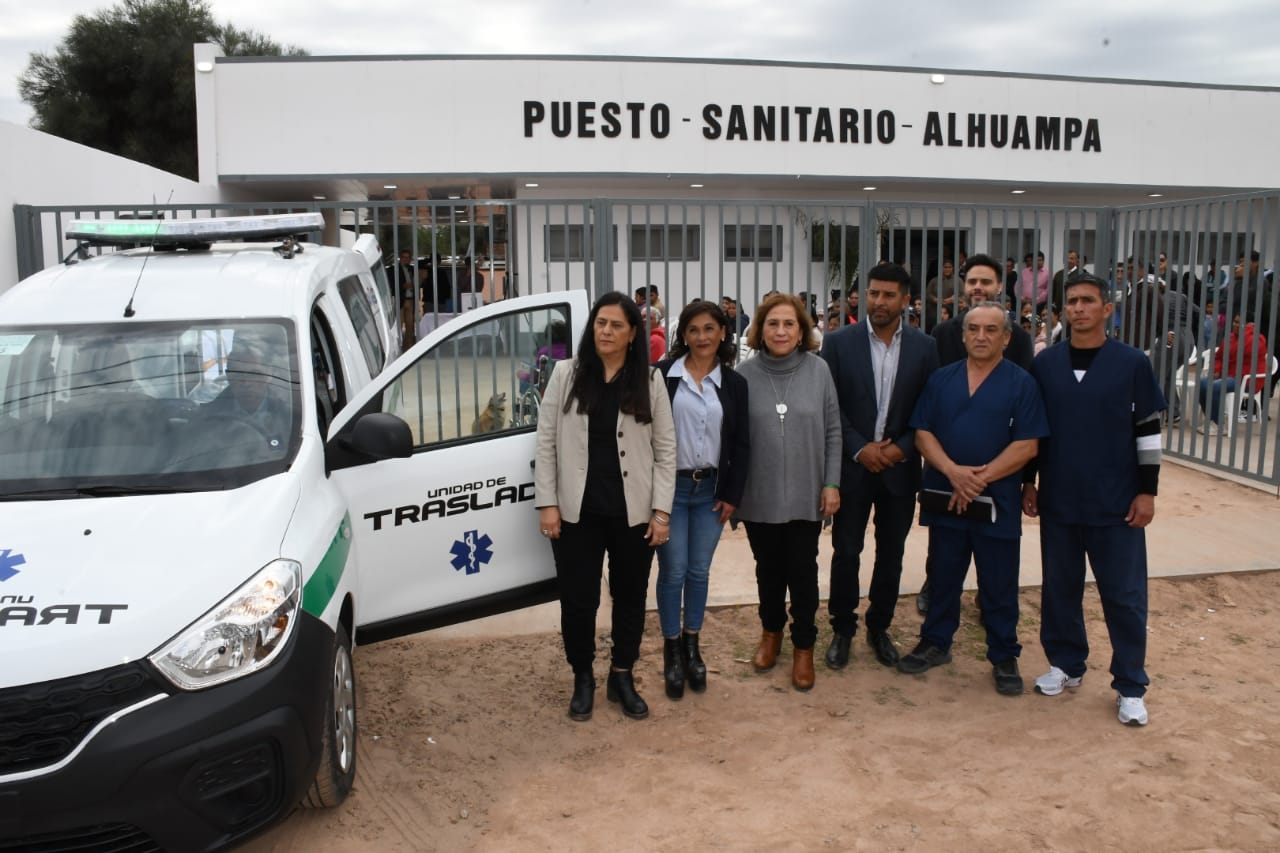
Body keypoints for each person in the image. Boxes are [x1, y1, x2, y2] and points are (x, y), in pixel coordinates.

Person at [1023, 272, 1166, 726]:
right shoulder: (1046, 364)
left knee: (1124, 596)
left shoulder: (1132, 363)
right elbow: (1033, 432)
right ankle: (1066, 663)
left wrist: (1147, 491)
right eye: (1072, 302)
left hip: (1116, 503)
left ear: (1107, 309)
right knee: (1060, 588)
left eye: (1088, 301)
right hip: (1061, 500)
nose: (1079, 308)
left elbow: (1148, 432)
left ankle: (1130, 685)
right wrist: (1029, 481)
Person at [534, 292, 676, 722]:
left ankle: (622, 674)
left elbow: (666, 450)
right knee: (578, 600)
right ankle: (583, 677)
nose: (606, 331)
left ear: (633, 333)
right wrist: (547, 503)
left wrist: (661, 512)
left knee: (630, 597)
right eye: (600, 323)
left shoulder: (649, 381)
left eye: (616, 325)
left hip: (633, 514)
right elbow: (545, 442)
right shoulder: (566, 374)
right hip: (577, 513)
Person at [898, 302, 1048, 695]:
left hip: (996, 500)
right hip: (946, 496)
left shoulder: (1021, 384)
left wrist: (977, 479)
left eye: (991, 330)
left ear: (1006, 338)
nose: (981, 336)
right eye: (974, 329)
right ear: (963, 335)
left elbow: (1027, 445)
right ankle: (935, 641)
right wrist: (953, 472)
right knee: (943, 574)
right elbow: (922, 433)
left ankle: (1003, 654)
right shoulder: (942, 379)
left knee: (998, 581)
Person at [820, 263, 939, 671]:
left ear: (905, 300)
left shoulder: (925, 347)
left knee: (892, 554)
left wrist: (900, 449)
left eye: (889, 295)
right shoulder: (838, 343)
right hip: (853, 468)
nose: (879, 301)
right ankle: (842, 628)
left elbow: (929, 406)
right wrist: (860, 448)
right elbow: (830, 404)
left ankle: (879, 626)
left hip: (899, 472)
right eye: (873, 293)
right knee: (846, 551)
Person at [917, 254, 1036, 615]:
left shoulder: (1018, 341)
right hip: (947, 465)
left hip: (998, 469)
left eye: (986, 282)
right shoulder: (943, 334)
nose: (978, 288)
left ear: (999, 287)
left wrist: (1022, 479)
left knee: (996, 555)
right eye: (972, 282)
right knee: (944, 547)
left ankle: (990, 599)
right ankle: (935, 589)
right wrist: (951, 470)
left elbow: (1027, 420)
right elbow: (932, 408)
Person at [735, 293, 842, 691]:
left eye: (789, 324)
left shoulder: (819, 370)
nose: (780, 331)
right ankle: (771, 633)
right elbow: (733, 439)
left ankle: (803, 647)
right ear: (760, 330)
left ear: (802, 331)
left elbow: (833, 431)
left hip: (806, 492)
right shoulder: (744, 375)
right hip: (759, 494)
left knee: (802, 573)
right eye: (773, 323)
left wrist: (832, 483)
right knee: (768, 571)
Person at [654, 301, 750, 699]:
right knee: (673, 571)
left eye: (709, 328)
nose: (702, 337)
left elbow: (741, 444)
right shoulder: (663, 376)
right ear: (683, 335)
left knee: (698, 572)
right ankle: (671, 651)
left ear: (723, 332)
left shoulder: (734, 384)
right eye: (693, 329)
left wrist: (732, 494)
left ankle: (693, 646)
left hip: (710, 490)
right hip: (671, 491)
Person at [1196, 311, 1269, 434]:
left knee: (1215, 386)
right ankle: (1213, 420)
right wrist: (1217, 370)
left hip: (1246, 380)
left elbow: (1246, 349)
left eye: (1240, 323)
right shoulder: (1230, 338)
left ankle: (1218, 425)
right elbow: (1219, 357)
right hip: (1229, 376)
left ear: (1250, 325)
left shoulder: (1258, 339)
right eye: (1235, 322)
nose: (1236, 325)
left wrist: (1247, 331)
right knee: (1203, 382)